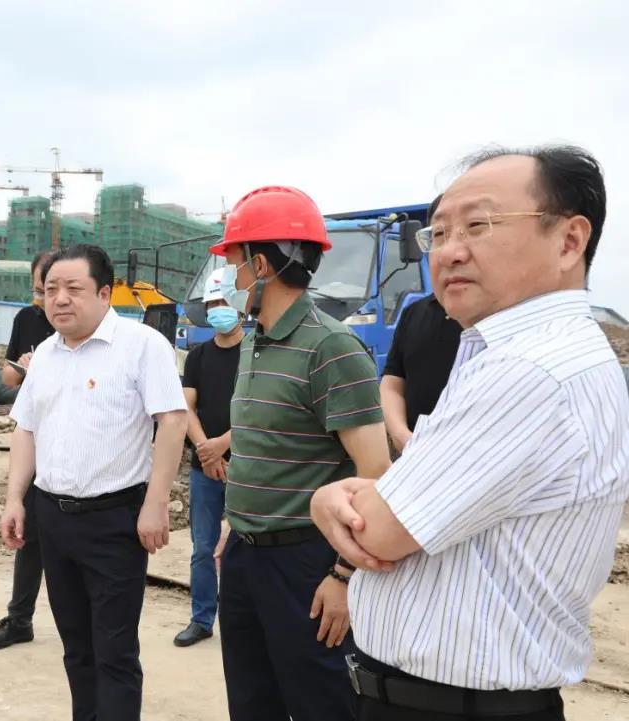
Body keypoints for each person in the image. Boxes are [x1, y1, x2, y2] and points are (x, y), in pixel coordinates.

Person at [312, 145, 629, 721]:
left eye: (479, 225)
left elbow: (380, 532)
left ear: (569, 241)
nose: (450, 251)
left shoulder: (529, 368)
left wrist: (327, 497)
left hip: (453, 706)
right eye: (438, 234)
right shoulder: (525, 352)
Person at [211, 186, 392, 721]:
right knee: (251, 702)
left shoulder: (331, 348)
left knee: (320, 703)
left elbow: (376, 475)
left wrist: (344, 577)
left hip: (305, 564)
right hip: (244, 557)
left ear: (261, 265)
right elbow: (260, 442)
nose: (230, 279)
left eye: (233, 264)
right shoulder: (255, 339)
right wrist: (234, 524)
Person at [0, 243, 188, 721]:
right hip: (53, 517)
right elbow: (26, 428)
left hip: (114, 520)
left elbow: (172, 421)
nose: (59, 299)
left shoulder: (143, 345)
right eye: (51, 290)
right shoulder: (44, 353)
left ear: (105, 293)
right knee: (76, 647)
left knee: (114, 650)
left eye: (73, 289)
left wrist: (156, 503)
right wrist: (15, 498)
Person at [0, 250, 55, 650]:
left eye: (51, 289)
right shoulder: (27, 319)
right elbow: (8, 377)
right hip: (34, 435)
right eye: (40, 290)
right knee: (29, 530)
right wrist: (25, 364)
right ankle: (19, 618)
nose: (46, 299)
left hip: (77, 444)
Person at [173, 267, 244, 648]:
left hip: (247, 468)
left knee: (241, 549)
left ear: (241, 305)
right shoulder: (199, 357)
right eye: (213, 303)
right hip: (205, 469)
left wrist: (222, 445)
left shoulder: (257, 354)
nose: (218, 310)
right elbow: (186, 408)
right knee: (203, 548)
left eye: (224, 302)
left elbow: (259, 410)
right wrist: (207, 450)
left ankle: (239, 619)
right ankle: (202, 618)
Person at [380, 194, 462, 454]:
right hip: (412, 456)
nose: (451, 252)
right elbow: (392, 383)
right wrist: (401, 435)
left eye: (474, 228)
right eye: (438, 235)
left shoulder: (498, 318)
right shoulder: (414, 313)